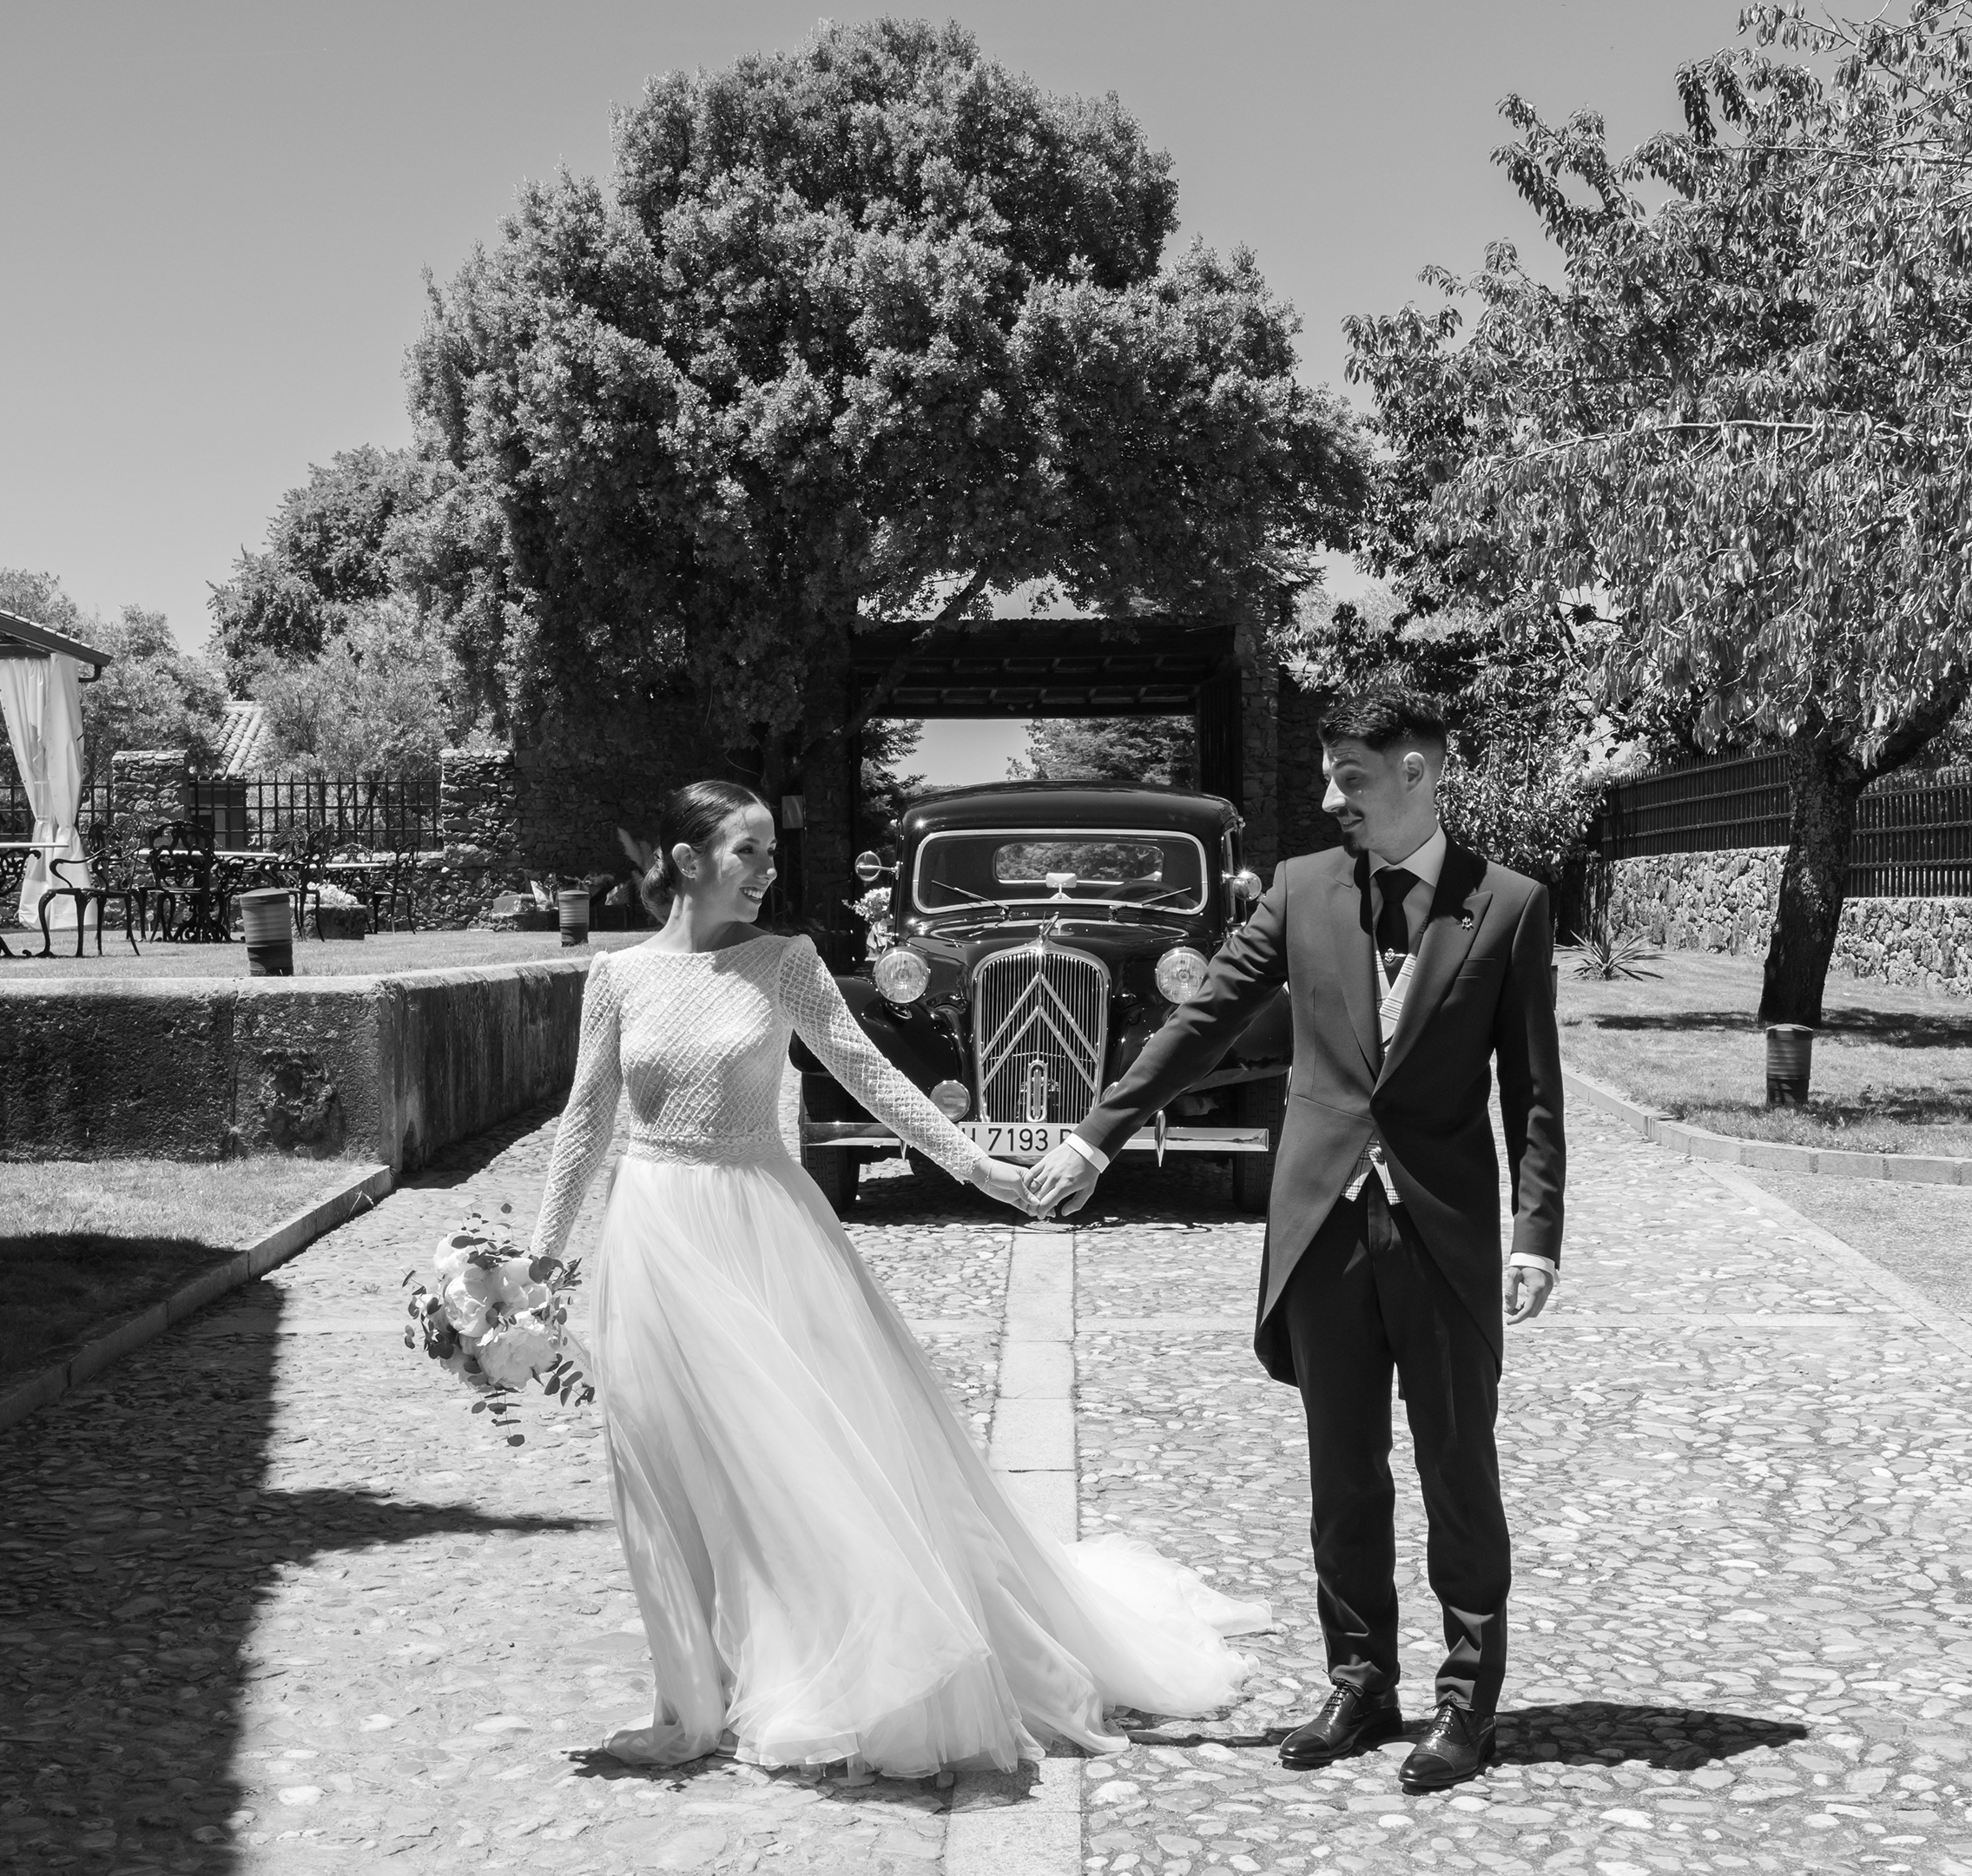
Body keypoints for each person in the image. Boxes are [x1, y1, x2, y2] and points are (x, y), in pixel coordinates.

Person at [526, 777, 1269, 1774]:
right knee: (661, 1466)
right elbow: (585, 1120)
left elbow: (871, 1074)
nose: (768, 871)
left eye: (771, 852)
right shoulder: (616, 978)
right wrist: (538, 1264)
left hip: (764, 1229)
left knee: (800, 1454)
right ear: (687, 860)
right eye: (748, 851)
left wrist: (979, 1168)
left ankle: (831, 1664)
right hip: (653, 1230)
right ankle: (686, 1707)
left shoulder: (785, 962)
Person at [1026, 689, 1566, 1794]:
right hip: (1323, 1225)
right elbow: (1204, 1019)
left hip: (1444, 1229)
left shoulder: (1510, 905)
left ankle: (1468, 1703)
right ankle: (1360, 1684)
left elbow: (1534, 1087)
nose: (1330, 799)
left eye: (1350, 778)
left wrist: (1535, 1231)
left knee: (1459, 1468)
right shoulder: (1301, 889)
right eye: (1328, 776)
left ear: (1417, 773)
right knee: (1342, 1471)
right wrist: (1096, 1136)